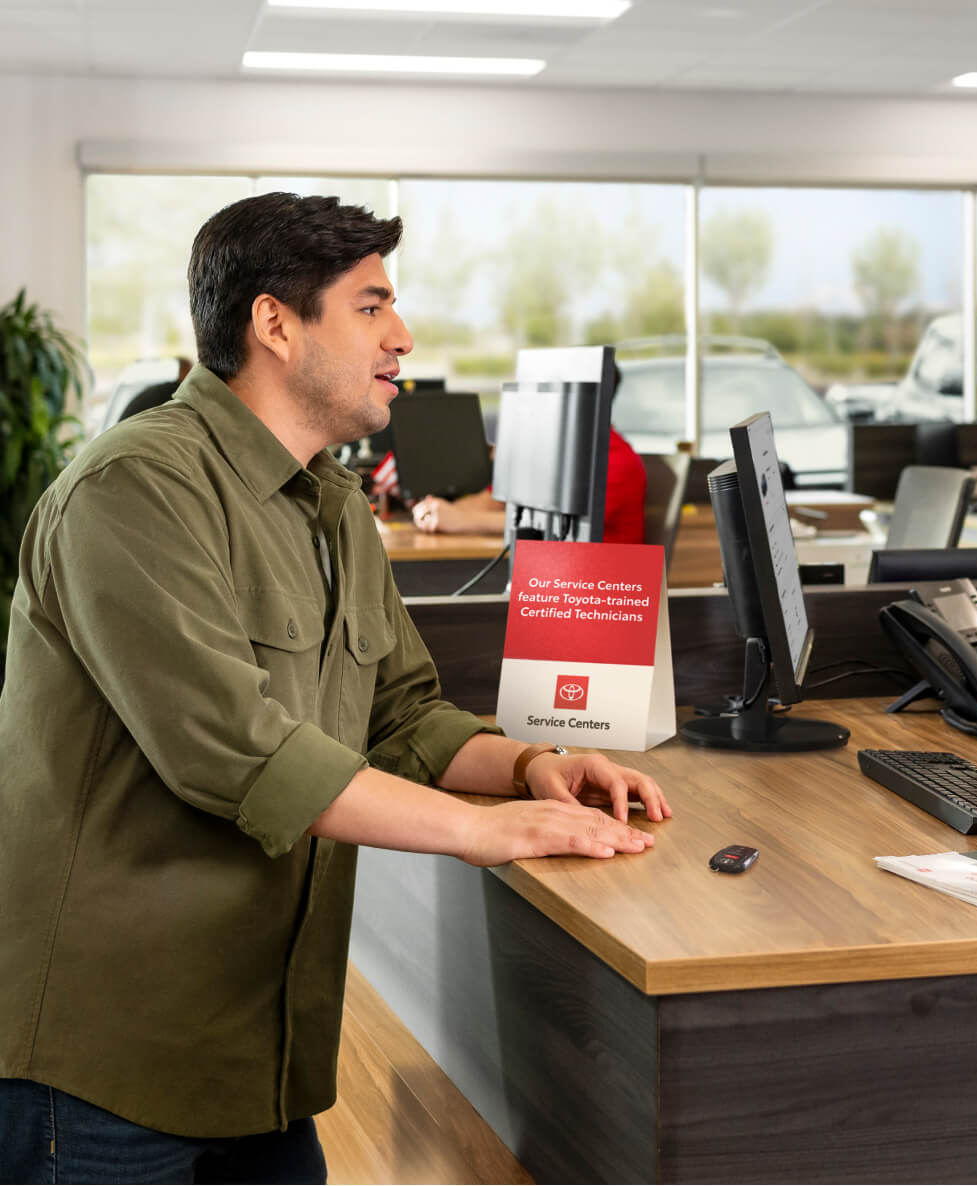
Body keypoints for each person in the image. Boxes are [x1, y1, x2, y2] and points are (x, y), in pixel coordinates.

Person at [0, 192, 671, 1184]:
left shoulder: (332, 505)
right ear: (273, 322)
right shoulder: (134, 489)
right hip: (106, 1062)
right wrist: (485, 834)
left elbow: (400, 714)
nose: (401, 336)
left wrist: (535, 767)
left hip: (257, 1052)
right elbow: (235, 749)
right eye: (370, 306)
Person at [410, 364, 647, 543]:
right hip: (553, 574)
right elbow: (495, 502)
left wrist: (462, 521)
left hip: (599, 590)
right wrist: (439, 511)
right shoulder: (554, 447)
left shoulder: (617, 460)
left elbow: (561, 524)